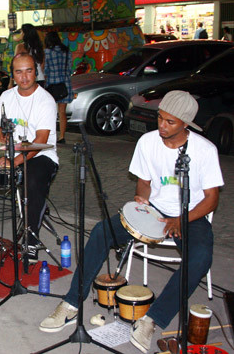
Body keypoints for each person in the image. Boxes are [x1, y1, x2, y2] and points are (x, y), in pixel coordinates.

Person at [39, 90, 223, 353]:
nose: (161, 125)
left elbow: (211, 199)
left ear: (186, 124)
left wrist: (181, 219)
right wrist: (141, 198)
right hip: (154, 210)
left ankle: (152, 319)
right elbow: (144, 181)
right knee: (102, 231)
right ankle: (71, 303)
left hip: (190, 215)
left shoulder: (205, 150)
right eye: (160, 118)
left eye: (170, 122)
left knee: (201, 257)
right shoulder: (148, 142)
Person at [0, 53, 58, 261]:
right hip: (10, 155)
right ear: (13, 74)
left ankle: (30, 242)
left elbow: (41, 140)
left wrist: (14, 163)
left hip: (41, 155)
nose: (24, 77)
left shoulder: (45, 100)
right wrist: (2, 135)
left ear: (36, 71)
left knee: (32, 180)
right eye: (19, 72)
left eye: (29, 71)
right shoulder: (7, 97)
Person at [43, 32, 73, 144]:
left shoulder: (47, 52)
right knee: (62, 112)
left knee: (50, 112)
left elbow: (46, 70)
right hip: (65, 85)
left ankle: (51, 136)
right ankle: (62, 136)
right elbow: (70, 69)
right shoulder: (66, 51)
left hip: (51, 86)